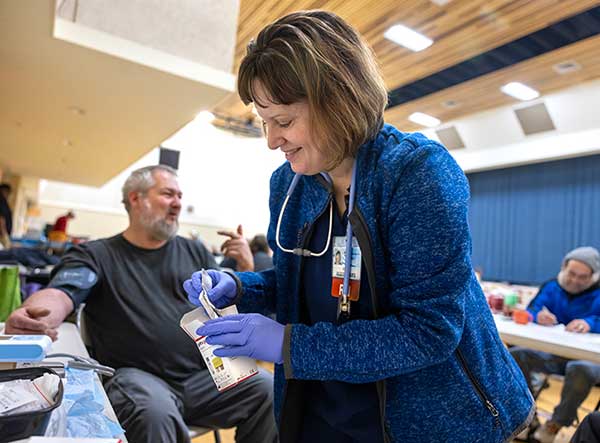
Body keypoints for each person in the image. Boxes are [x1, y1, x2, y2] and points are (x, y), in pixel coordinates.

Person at [183, 10, 534, 443]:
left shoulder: (416, 174)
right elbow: (309, 286)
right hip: (321, 414)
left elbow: (429, 330)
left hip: (423, 419)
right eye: (264, 122)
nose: (272, 141)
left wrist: (288, 345)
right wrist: (242, 287)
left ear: (338, 101)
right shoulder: (290, 183)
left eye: (285, 122)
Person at [5, 165, 277, 443]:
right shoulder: (96, 255)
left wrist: (245, 267)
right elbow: (62, 292)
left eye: (180, 196)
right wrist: (37, 315)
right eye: (168, 194)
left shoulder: (194, 251)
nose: (178, 204)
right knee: (155, 412)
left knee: (268, 390)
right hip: (137, 380)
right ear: (136, 199)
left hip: (201, 379)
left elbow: (224, 305)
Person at [510, 246, 600, 443]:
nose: (575, 280)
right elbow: (531, 309)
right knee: (517, 354)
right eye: (572, 274)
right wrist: (537, 316)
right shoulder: (551, 287)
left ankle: (555, 425)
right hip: (555, 353)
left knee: (580, 369)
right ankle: (526, 415)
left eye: (582, 277)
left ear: (593, 277)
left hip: (590, 358)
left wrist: (590, 323)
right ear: (563, 268)